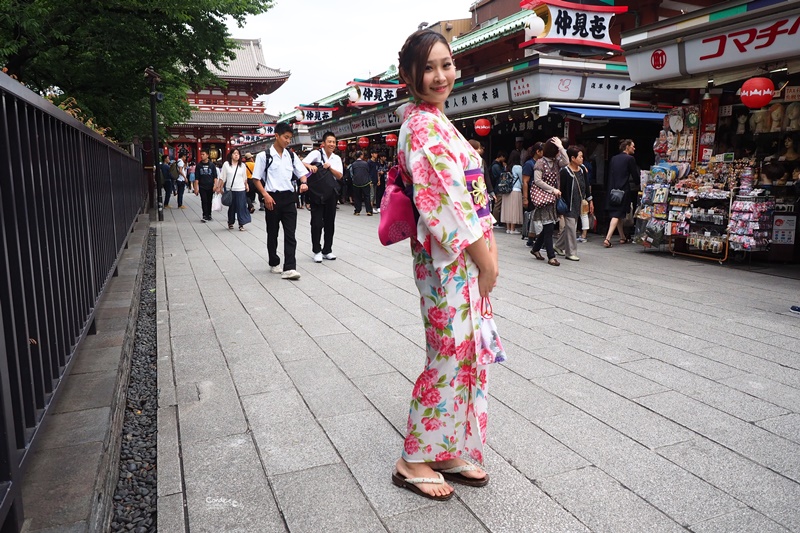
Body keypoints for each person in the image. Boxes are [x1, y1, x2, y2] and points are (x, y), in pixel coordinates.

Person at [392, 28, 498, 502]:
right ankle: (413, 458)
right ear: (407, 75)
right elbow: (447, 204)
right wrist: (486, 261)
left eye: (447, 64)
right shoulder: (422, 125)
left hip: (460, 261)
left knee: (465, 353)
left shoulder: (433, 118)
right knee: (449, 353)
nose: (441, 76)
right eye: (429, 67)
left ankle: (445, 445)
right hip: (449, 260)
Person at [251, 122, 313, 281]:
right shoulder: (264, 156)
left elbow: (302, 173)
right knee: (272, 233)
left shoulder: (290, 156)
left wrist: (304, 182)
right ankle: (274, 261)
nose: (287, 141)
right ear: (276, 136)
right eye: (285, 137)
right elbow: (256, 179)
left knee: (290, 234)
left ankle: (290, 267)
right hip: (272, 197)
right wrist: (265, 195)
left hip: (289, 198)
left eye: (290, 138)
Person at [303, 131, 343, 263]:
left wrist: (329, 168)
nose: (332, 144)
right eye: (329, 142)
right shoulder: (316, 153)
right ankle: (317, 250)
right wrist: (311, 166)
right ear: (323, 144)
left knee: (329, 222)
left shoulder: (336, 158)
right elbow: (302, 163)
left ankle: (327, 250)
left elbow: (340, 176)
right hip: (317, 193)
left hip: (331, 193)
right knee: (316, 223)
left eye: (334, 142)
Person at [529, 138, 568, 266]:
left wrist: (561, 147)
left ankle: (535, 249)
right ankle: (551, 256)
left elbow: (566, 161)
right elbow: (538, 181)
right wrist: (553, 190)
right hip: (544, 198)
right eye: (557, 150)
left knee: (548, 226)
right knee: (549, 227)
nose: (559, 153)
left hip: (552, 199)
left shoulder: (556, 162)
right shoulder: (540, 163)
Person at [554, 145, 588, 261]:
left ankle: (558, 245)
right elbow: (561, 188)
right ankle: (571, 252)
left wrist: (589, 200)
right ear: (573, 158)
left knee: (570, 227)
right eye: (580, 157)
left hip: (579, 203)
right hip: (568, 204)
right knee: (571, 228)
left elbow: (586, 186)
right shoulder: (565, 172)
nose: (582, 158)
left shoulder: (582, 170)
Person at [603, 139, 639, 248]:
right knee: (617, 214)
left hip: (612, 190)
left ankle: (622, 236)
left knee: (618, 214)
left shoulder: (614, 158)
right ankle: (608, 238)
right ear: (627, 147)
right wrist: (639, 183)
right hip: (623, 190)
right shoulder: (630, 159)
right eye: (633, 146)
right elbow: (635, 175)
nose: (634, 148)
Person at [216, 148, 251, 231]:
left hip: (240, 189)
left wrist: (246, 185)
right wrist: (219, 187)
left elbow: (244, 177)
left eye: (238, 154)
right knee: (232, 207)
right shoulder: (226, 164)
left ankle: (241, 224)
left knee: (241, 206)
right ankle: (230, 222)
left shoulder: (242, 165)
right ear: (231, 155)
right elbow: (222, 177)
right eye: (234, 153)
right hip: (230, 189)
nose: (236, 155)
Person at [521, 141, 544, 246]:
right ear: (538, 152)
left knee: (535, 215)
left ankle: (531, 238)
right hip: (532, 191)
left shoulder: (541, 163)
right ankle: (540, 239)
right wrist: (525, 198)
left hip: (539, 191)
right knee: (537, 215)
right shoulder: (529, 164)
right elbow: (525, 181)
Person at [500, 152, 523, 234]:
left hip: (507, 190)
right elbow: (522, 179)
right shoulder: (518, 167)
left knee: (508, 209)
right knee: (514, 209)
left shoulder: (507, 167)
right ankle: (513, 229)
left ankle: (508, 228)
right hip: (516, 189)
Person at [194, 150, 218, 222]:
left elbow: (215, 176)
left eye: (203, 154)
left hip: (210, 186)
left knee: (209, 200)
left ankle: (209, 215)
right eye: (201, 154)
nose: (202, 156)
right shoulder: (198, 165)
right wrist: (196, 188)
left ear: (207, 155)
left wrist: (215, 185)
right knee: (204, 200)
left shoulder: (212, 165)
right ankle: (204, 215)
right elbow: (197, 178)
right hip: (202, 186)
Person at [349, 151, 372, 215]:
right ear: (361, 156)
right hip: (365, 182)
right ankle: (369, 211)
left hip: (356, 183)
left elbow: (352, 173)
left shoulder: (353, 164)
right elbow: (368, 172)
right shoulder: (365, 163)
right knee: (367, 197)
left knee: (357, 197)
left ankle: (357, 211)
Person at [490, 151, 507, 226]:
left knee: (497, 204)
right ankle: (496, 221)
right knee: (498, 204)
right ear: (501, 156)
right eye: (504, 157)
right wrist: (505, 168)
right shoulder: (496, 166)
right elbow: (502, 176)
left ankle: (496, 221)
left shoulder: (494, 165)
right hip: (498, 186)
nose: (504, 159)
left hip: (496, 186)